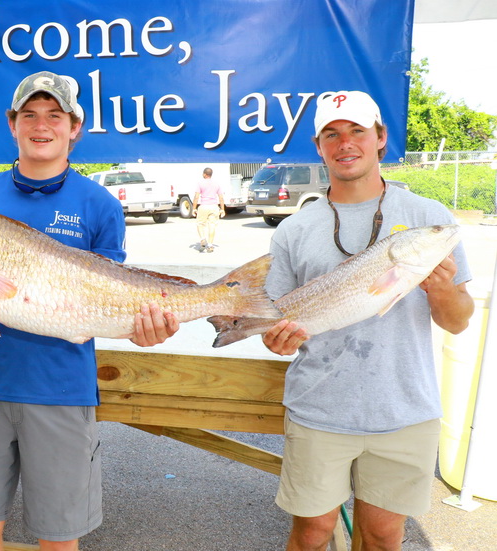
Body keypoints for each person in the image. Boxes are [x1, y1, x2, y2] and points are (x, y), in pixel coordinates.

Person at [0, 70, 179, 550]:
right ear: (12, 124)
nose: (41, 125)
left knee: (59, 537)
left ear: (74, 128)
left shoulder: (100, 204)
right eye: (29, 114)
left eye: (54, 115)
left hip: (62, 391)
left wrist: (144, 327)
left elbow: (112, 297)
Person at [261, 90, 474, 551]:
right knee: (312, 533)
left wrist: (440, 288)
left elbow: (458, 322)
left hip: (405, 410)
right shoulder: (294, 229)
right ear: (319, 147)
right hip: (319, 410)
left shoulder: (427, 217)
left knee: (382, 536)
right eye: (332, 134)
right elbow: (276, 322)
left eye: (357, 130)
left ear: (380, 138)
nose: (345, 143)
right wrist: (275, 339)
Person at [191, 167, 226, 252]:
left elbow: (196, 197)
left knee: (200, 224)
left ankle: (203, 239)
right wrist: (222, 209)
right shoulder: (216, 184)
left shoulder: (200, 183)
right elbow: (221, 197)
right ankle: (210, 245)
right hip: (214, 207)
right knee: (212, 225)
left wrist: (194, 208)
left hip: (204, 206)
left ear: (204, 174)